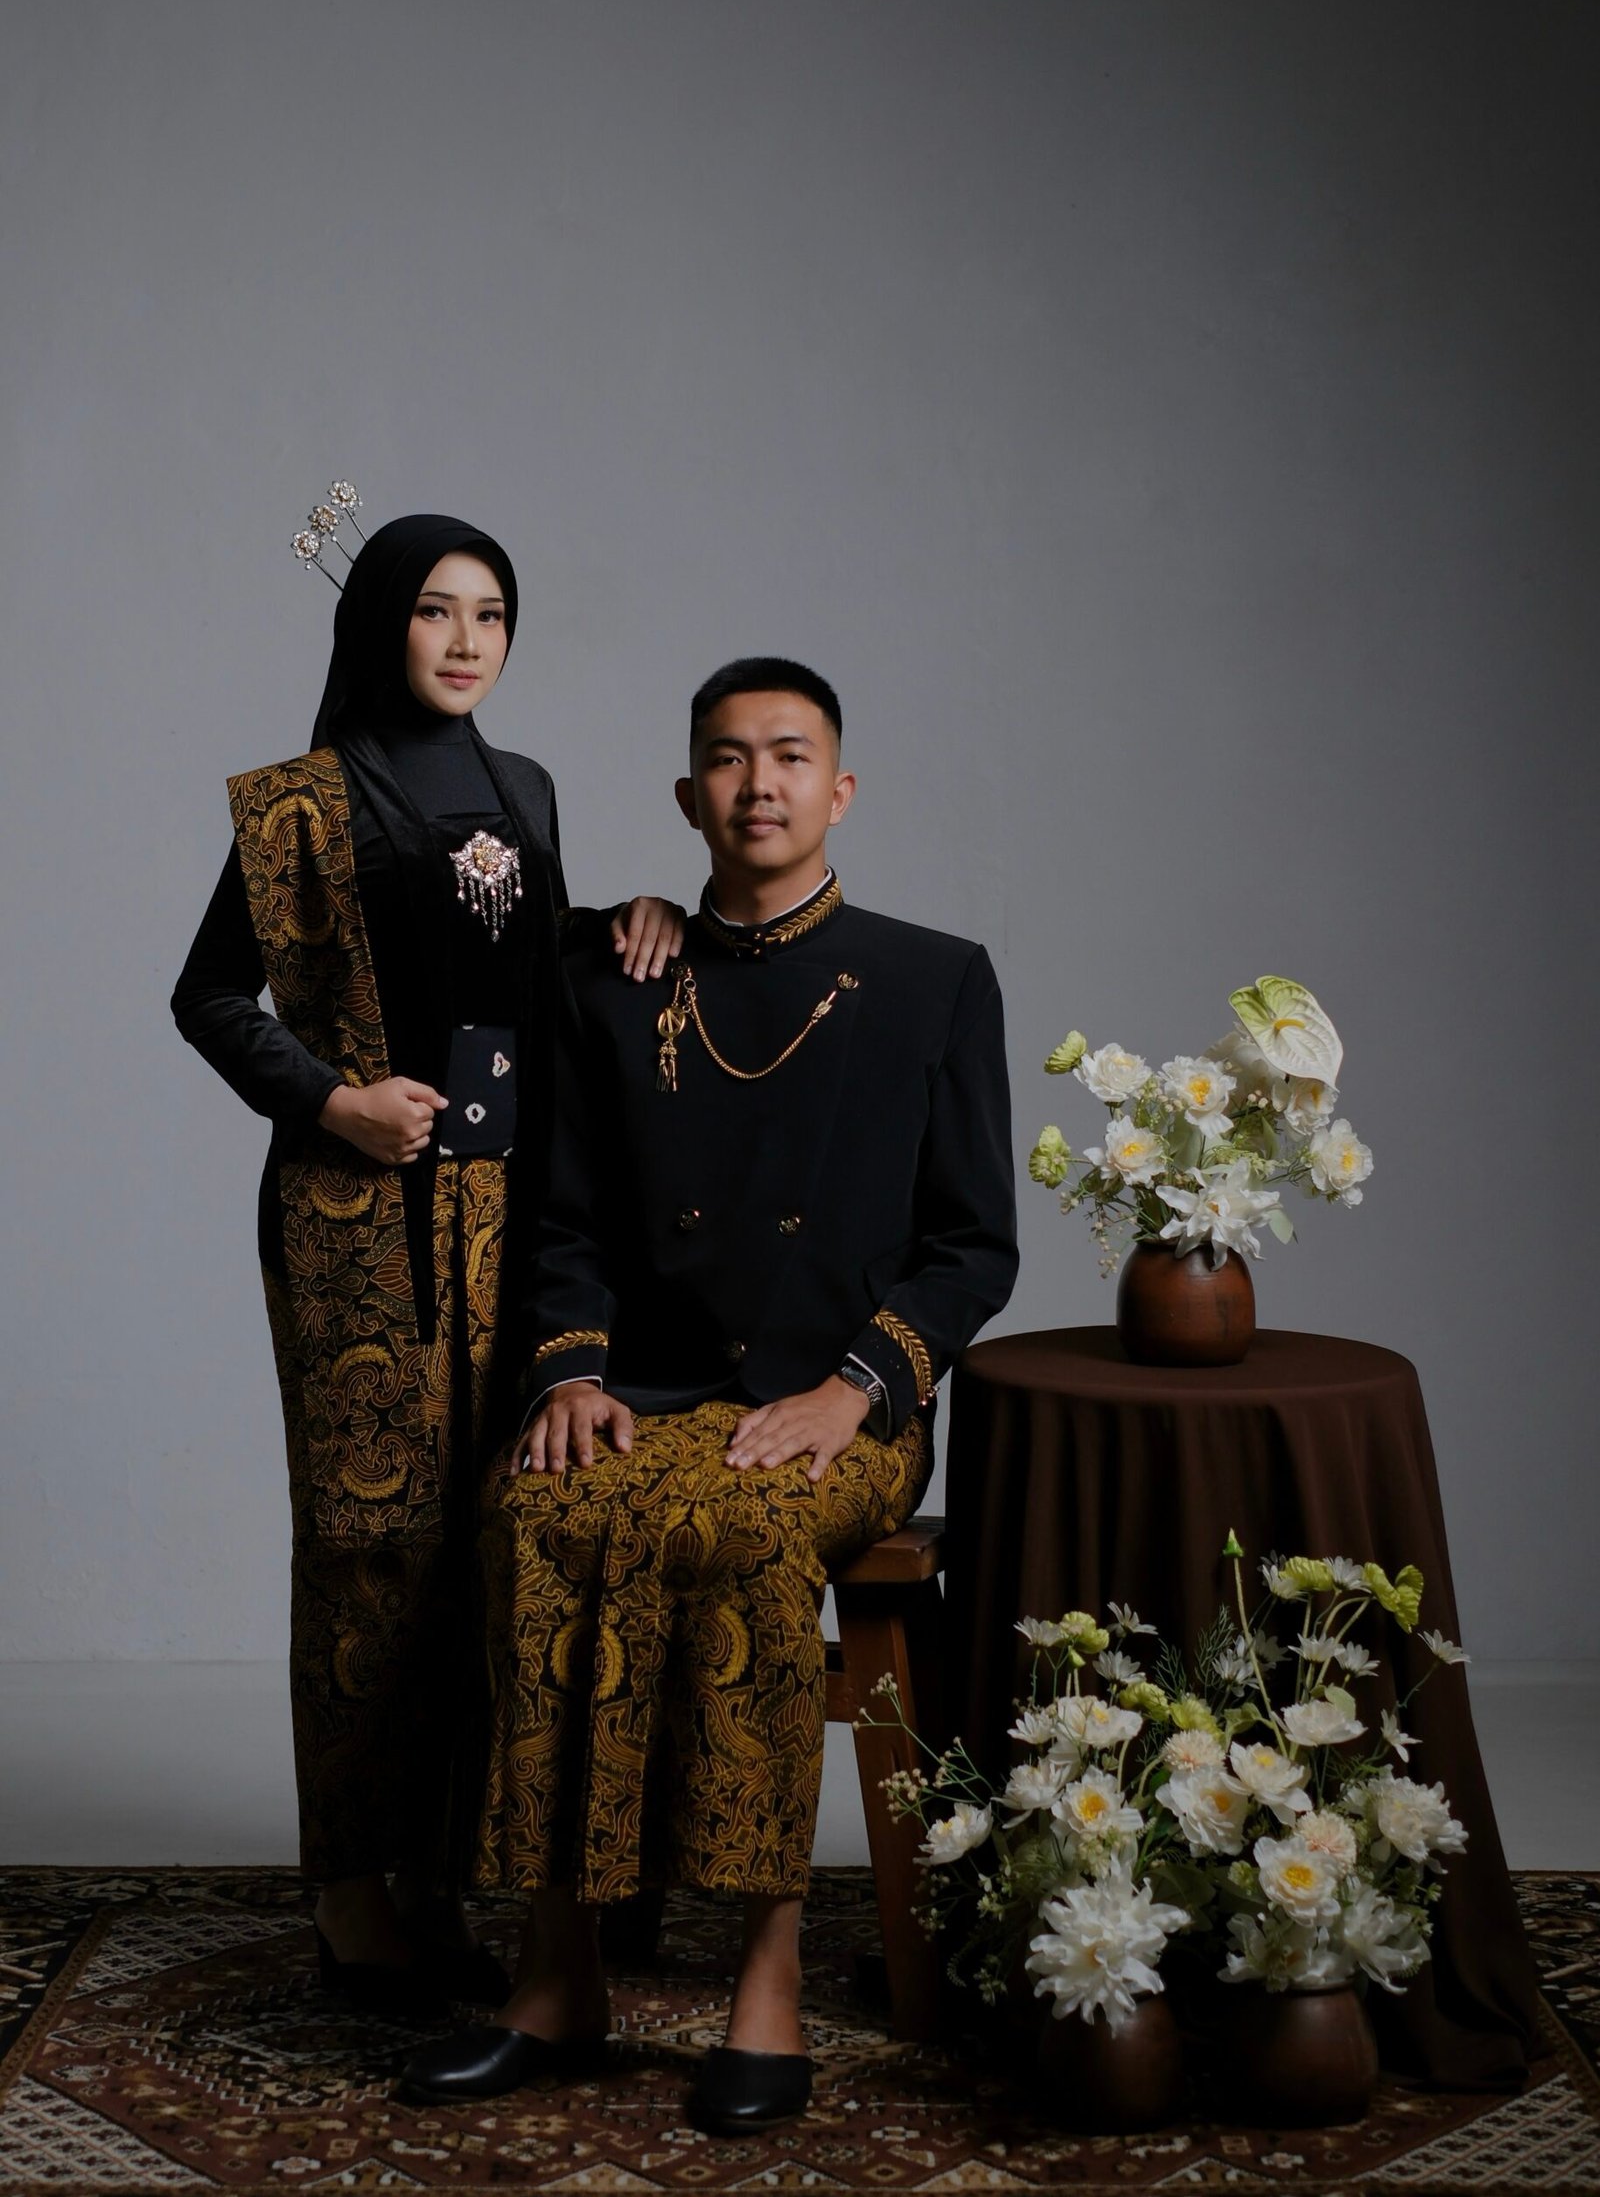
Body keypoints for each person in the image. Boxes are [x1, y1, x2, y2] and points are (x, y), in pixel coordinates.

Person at [403, 656, 1017, 2128]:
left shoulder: (936, 977)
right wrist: (569, 1372)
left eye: (790, 757)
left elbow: (974, 1246)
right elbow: (563, 1218)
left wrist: (858, 1390)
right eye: (730, 761)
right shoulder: (619, 977)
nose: (760, 785)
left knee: (742, 1535)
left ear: (840, 790)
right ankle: (557, 1973)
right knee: (538, 1517)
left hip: (838, 1401)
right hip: (648, 1387)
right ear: (689, 797)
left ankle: (767, 1976)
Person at [171, 513, 682, 2014]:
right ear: (379, 622)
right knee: (365, 1542)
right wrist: (332, 1099)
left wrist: (628, 919)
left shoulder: (525, 788)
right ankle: (349, 1887)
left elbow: (522, 961)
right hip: (357, 1222)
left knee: (488, 1531)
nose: (467, 641)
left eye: (493, 613)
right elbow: (208, 996)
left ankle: (443, 1869)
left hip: (513, 1209)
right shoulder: (301, 804)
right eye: (436, 611)